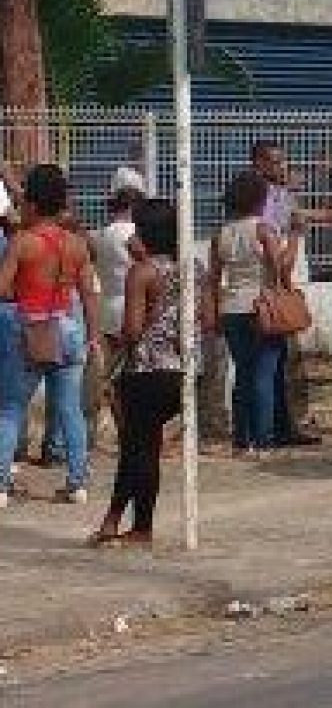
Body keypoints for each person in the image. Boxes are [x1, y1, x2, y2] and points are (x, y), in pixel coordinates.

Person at [90, 199, 192, 547]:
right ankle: (119, 520)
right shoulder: (191, 268)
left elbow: (132, 331)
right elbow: (206, 319)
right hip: (181, 369)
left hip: (145, 370)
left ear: (144, 233)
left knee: (138, 449)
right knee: (144, 447)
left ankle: (134, 524)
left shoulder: (143, 272)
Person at [0, 164, 102, 506]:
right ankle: (77, 483)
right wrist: (93, 336)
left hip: (30, 328)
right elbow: (88, 293)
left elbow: (2, 289)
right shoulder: (76, 244)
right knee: (70, 409)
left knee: (11, 408)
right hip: (69, 328)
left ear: (31, 203)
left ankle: (1, 484)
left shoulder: (22, 242)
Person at [207, 173, 296, 457]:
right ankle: (264, 439)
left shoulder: (221, 233)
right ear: (259, 200)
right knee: (265, 373)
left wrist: (214, 311)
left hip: (232, 308)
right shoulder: (263, 230)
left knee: (243, 374)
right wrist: (294, 238)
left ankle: (241, 440)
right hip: (261, 307)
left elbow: (213, 278)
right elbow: (281, 268)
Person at [244, 139, 318, 448]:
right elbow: (276, 252)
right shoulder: (257, 198)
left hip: (282, 280)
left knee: (279, 362)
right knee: (266, 364)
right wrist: (286, 283)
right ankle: (266, 432)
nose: (281, 167)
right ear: (258, 163)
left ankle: (281, 425)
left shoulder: (281, 195)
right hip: (271, 285)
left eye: (282, 161)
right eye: (274, 162)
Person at [93, 188, 145, 350]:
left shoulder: (102, 233)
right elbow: (146, 262)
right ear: (133, 207)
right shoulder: (131, 231)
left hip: (107, 306)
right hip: (130, 306)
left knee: (115, 362)